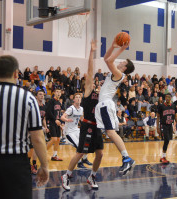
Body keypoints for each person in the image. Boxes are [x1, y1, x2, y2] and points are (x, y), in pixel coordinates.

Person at [0, 55, 49, 199]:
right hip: (17, 164)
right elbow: (37, 138)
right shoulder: (28, 98)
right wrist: (44, 165)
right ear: (16, 73)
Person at [62, 41, 103, 190]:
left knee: (100, 154)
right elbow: (91, 71)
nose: (95, 83)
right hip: (87, 126)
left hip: (97, 127)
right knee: (80, 153)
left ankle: (92, 176)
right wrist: (92, 52)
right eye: (92, 82)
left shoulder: (101, 96)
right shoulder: (87, 92)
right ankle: (66, 175)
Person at [95, 36, 135, 174]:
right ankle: (125, 158)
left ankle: (126, 158)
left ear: (124, 68)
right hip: (102, 105)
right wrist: (112, 46)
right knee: (106, 132)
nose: (120, 61)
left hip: (106, 104)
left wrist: (122, 48)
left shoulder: (119, 74)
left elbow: (109, 60)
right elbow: (107, 59)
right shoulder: (116, 73)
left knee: (111, 132)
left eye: (123, 61)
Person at [61, 93, 93, 169]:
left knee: (87, 142)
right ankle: (79, 163)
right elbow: (62, 117)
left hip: (76, 130)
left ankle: (84, 159)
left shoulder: (81, 109)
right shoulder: (71, 109)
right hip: (69, 132)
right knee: (80, 147)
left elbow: (82, 119)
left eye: (79, 97)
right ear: (74, 99)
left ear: (81, 99)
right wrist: (67, 120)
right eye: (76, 97)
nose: (78, 98)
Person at [157, 93, 177, 164]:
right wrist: (158, 127)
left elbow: (175, 116)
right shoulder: (161, 106)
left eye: (169, 97)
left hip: (170, 125)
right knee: (166, 140)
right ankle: (163, 156)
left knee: (168, 140)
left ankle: (163, 156)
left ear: (171, 98)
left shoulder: (173, 106)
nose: (167, 98)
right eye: (166, 97)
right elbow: (158, 117)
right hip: (163, 125)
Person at [46, 88, 63, 161]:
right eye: (57, 92)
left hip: (57, 122)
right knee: (54, 139)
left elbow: (58, 114)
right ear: (54, 93)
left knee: (58, 139)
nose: (58, 93)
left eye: (59, 92)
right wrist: (55, 119)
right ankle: (42, 153)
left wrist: (60, 122)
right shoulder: (51, 101)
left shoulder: (59, 103)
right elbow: (48, 112)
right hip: (52, 122)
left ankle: (54, 155)